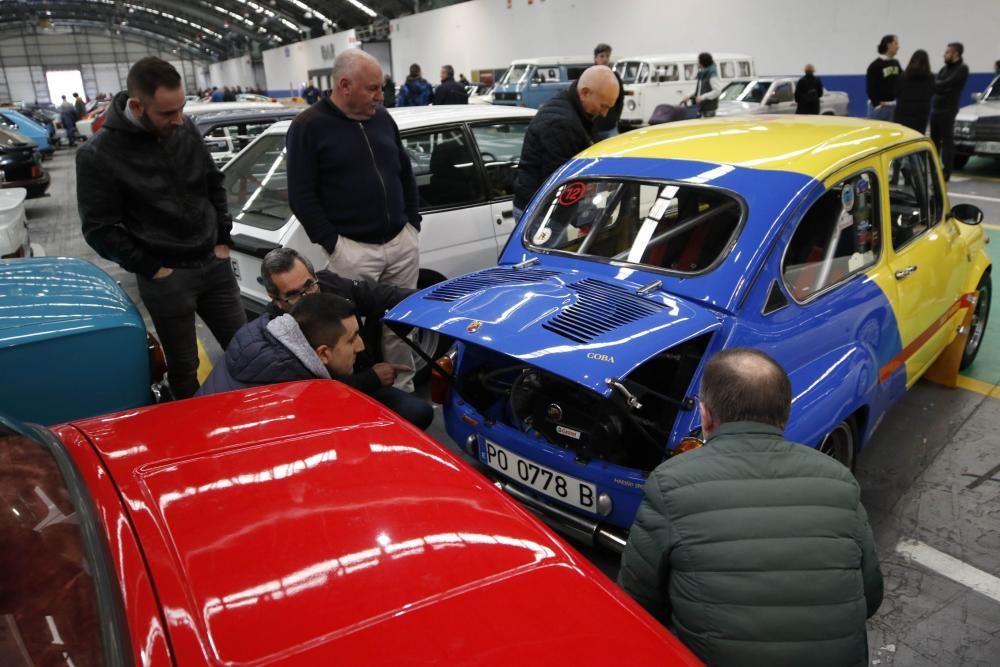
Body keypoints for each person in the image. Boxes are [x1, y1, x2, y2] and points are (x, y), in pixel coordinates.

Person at [619, 347, 883, 667]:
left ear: (705, 415)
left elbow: (636, 604)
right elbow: (870, 596)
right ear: (784, 414)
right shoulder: (839, 480)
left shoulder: (672, 483)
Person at [77, 57, 246, 399]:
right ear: (137, 106)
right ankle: (196, 441)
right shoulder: (99, 155)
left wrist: (222, 240)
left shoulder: (186, 130)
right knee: (184, 371)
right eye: (167, 114)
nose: (178, 120)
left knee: (247, 350)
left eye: (181, 108)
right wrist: (153, 268)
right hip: (168, 280)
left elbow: (213, 183)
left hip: (213, 266)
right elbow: (98, 228)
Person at [286, 49, 421, 392]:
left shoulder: (382, 119)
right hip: (352, 251)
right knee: (347, 334)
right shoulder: (308, 127)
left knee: (402, 324)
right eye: (373, 88)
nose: (380, 96)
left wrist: (411, 223)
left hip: (399, 242)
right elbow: (302, 195)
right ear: (345, 85)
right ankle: (359, 399)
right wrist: (334, 244)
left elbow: (405, 174)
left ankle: (403, 391)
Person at [250, 247, 433, 428]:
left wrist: (433, 299)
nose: (307, 298)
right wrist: (371, 378)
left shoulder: (331, 285)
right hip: (320, 407)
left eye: (309, 285)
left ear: (315, 277)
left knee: (419, 412)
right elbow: (309, 395)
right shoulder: (276, 334)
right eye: (293, 294)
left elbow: (381, 295)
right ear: (275, 299)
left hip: (363, 382)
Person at [197, 293, 362, 396]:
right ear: (323, 354)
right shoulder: (293, 394)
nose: (360, 346)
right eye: (352, 339)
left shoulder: (263, 336)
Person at [511, 65, 620, 220]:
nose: (604, 113)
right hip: (540, 213)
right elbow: (560, 183)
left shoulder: (576, 110)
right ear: (585, 92)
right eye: (603, 106)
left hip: (543, 205)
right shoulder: (561, 123)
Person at [930, 42, 969, 181]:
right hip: (936, 109)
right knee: (934, 141)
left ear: (955, 54)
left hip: (948, 110)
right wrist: (939, 86)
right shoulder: (944, 69)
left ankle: (947, 171)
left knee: (947, 141)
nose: (944, 55)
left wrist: (939, 86)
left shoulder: (962, 69)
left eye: (947, 53)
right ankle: (933, 168)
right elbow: (936, 85)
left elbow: (947, 84)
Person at [894, 49, 934, 133]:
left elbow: (896, 91)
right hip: (921, 112)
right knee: (918, 136)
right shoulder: (930, 77)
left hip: (903, 110)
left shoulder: (903, 76)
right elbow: (932, 92)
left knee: (902, 135)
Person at [592, 42, 624, 140]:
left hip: (610, 127)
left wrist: (615, 118)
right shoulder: (589, 76)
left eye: (607, 56)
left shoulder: (615, 76)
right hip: (592, 127)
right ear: (595, 58)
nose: (605, 59)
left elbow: (620, 98)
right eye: (601, 56)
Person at [866, 34, 902, 120]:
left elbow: (902, 81)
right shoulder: (875, 65)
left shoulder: (896, 63)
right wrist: (877, 105)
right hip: (879, 109)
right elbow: (870, 87)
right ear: (889, 45)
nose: (898, 46)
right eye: (896, 43)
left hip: (893, 106)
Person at [684, 52, 722, 118]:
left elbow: (717, 90)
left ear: (703, 62)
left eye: (698, 61)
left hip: (708, 110)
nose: (697, 62)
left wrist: (703, 97)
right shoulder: (703, 73)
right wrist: (688, 96)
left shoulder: (712, 74)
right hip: (701, 108)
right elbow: (699, 89)